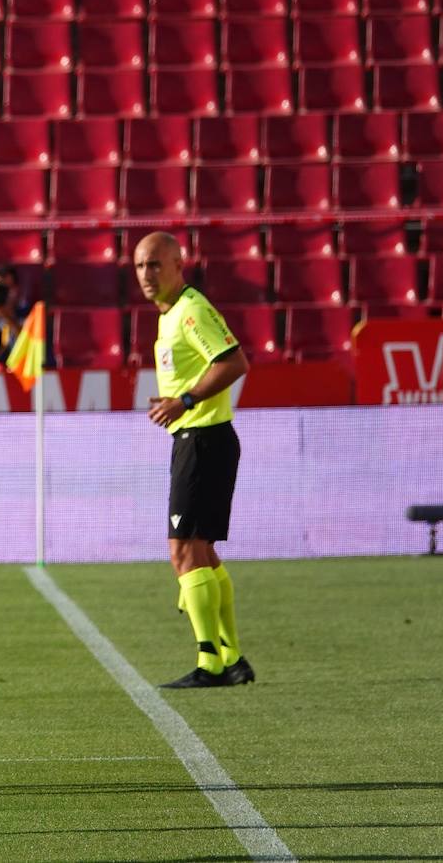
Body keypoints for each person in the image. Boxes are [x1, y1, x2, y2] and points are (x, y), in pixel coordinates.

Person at [132, 231, 255, 690]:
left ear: (178, 264)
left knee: (182, 552)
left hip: (204, 439)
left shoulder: (189, 310)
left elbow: (234, 362)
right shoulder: (169, 315)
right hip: (201, 439)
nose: (147, 275)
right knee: (201, 552)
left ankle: (210, 665)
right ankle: (232, 656)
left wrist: (184, 400)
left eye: (155, 265)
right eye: (141, 266)